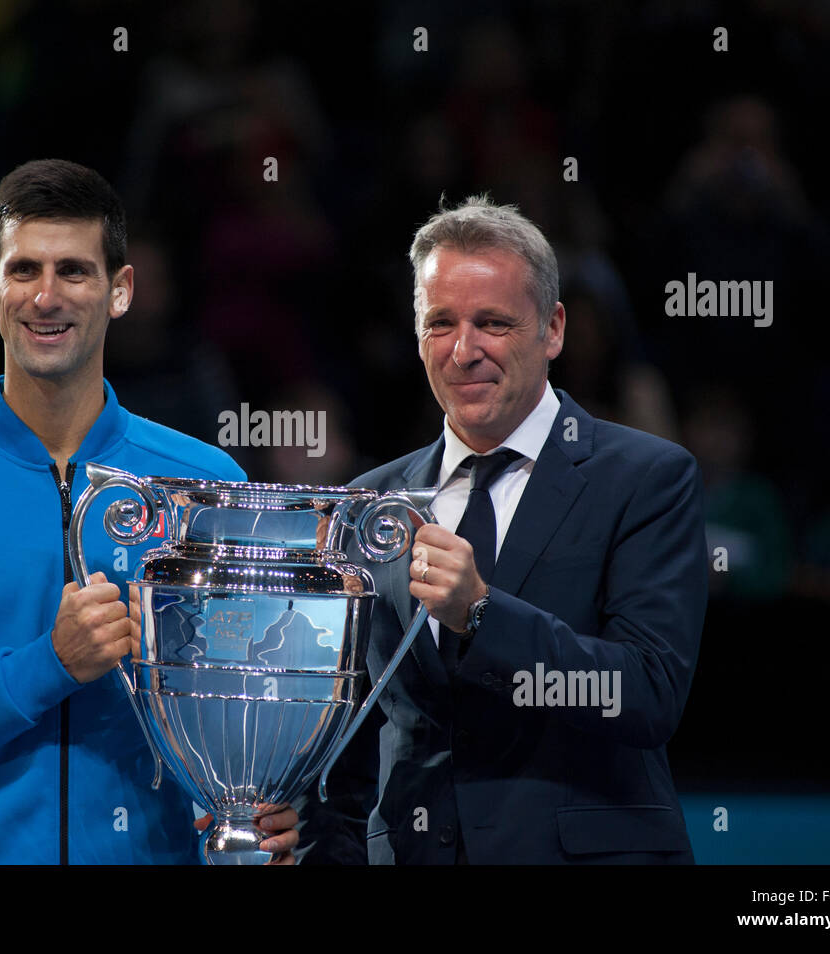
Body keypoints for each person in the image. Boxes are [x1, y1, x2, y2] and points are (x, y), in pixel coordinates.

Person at [0, 159, 298, 863]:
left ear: (121, 291)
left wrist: (268, 806)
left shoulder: (209, 483)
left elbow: (253, 703)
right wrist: (47, 665)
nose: (46, 298)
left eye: (74, 271)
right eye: (24, 271)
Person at [301, 196, 707, 864]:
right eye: (441, 323)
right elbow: (344, 738)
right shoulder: (368, 502)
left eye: (492, 322)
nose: (465, 351)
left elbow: (647, 693)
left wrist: (482, 614)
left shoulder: (646, 478)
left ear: (552, 329)